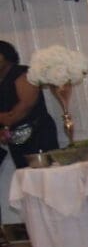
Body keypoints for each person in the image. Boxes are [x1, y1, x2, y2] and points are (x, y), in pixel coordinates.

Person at [0, 40, 60, 170]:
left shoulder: (22, 73)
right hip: (17, 138)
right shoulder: (3, 79)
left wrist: (6, 119)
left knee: (46, 175)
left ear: (4, 56)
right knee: (26, 176)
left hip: (38, 134)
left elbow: (25, 106)